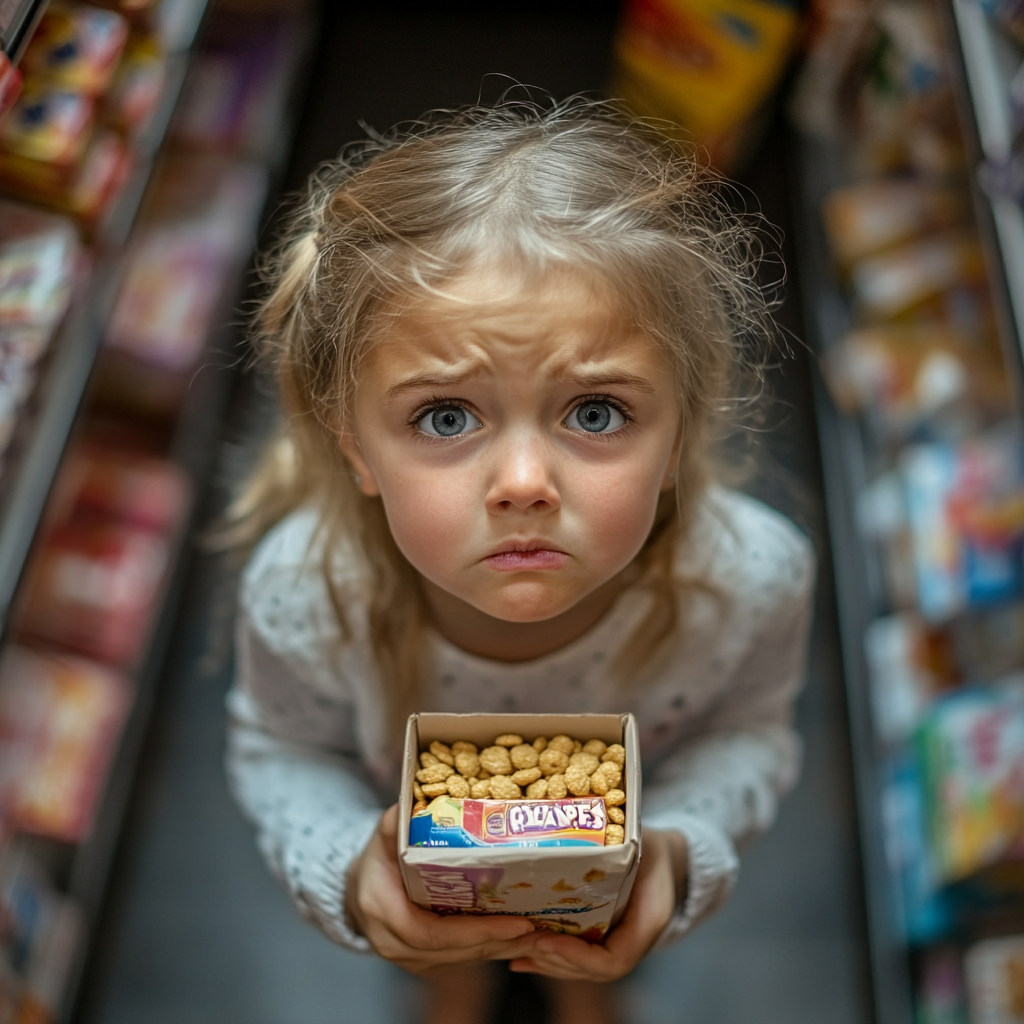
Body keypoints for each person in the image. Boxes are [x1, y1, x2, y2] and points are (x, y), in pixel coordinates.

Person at [224, 97, 815, 1024]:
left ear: (680, 436)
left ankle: (589, 987)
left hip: (609, 886)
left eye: (596, 413)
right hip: (427, 883)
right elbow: (283, 747)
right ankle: (448, 978)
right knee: (436, 951)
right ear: (354, 447)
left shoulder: (750, 579)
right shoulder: (308, 593)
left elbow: (748, 732)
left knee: (598, 959)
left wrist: (675, 853)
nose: (526, 484)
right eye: (446, 417)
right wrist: (352, 874)